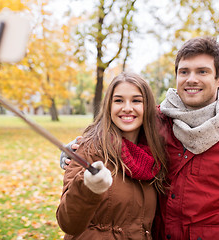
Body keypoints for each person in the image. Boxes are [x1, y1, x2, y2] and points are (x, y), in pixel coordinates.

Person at [61, 36, 219, 239]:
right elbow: (117, 131)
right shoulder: (158, 123)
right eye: (184, 72)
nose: (191, 79)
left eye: (202, 71)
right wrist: (76, 150)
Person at [56, 72, 168, 239]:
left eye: (136, 100)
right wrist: (88, 187)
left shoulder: (153, 155)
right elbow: (68, 222)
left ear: (147, 106)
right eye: (119, 100)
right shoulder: (90, 148)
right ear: (109, 106)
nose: (127, 107)